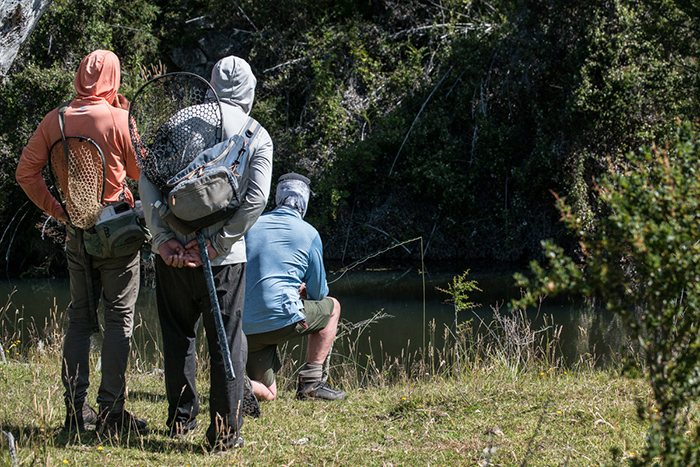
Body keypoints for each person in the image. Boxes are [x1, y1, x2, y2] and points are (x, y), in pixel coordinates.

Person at [139, 55, 273, 452]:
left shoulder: (177, 121)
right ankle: (225, 434)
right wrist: (219, 243)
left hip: (174, 254)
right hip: (224, 261)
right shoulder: (256, 134)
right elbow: (257, 199)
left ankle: (181, 421)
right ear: (249, 92)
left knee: (178, 336)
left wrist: (162, 239)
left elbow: (146, 178)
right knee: (225, 343)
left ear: (211, 82)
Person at [15, 50, 146, 434]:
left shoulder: (54, 120)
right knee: (119, 320)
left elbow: (26, 173)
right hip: (118, 232)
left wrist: (58, 210)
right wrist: (122, 121)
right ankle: (111, 413)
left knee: (79, 321)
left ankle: (75, 412)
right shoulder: (120, 118)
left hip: (77, 230)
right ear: (114, 78)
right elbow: (141, 172)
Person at [243, 173, 347, 402]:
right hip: (282, 319)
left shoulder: (250, 224)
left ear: (277, 197)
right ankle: (311, 385)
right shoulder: (309, 233)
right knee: (333, 308)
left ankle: (239, 384)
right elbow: (320, 293)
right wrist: (302, 290)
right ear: (305, 201)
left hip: (245, 328)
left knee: (269, 394)